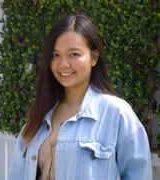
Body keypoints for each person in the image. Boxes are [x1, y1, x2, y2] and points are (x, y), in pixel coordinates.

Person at [8, 14, 152, 180]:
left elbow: (139, 175)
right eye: (55, 55)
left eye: (74, 54)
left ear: (94, 58)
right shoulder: (40, 113)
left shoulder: (116, 113)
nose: (63, 64)